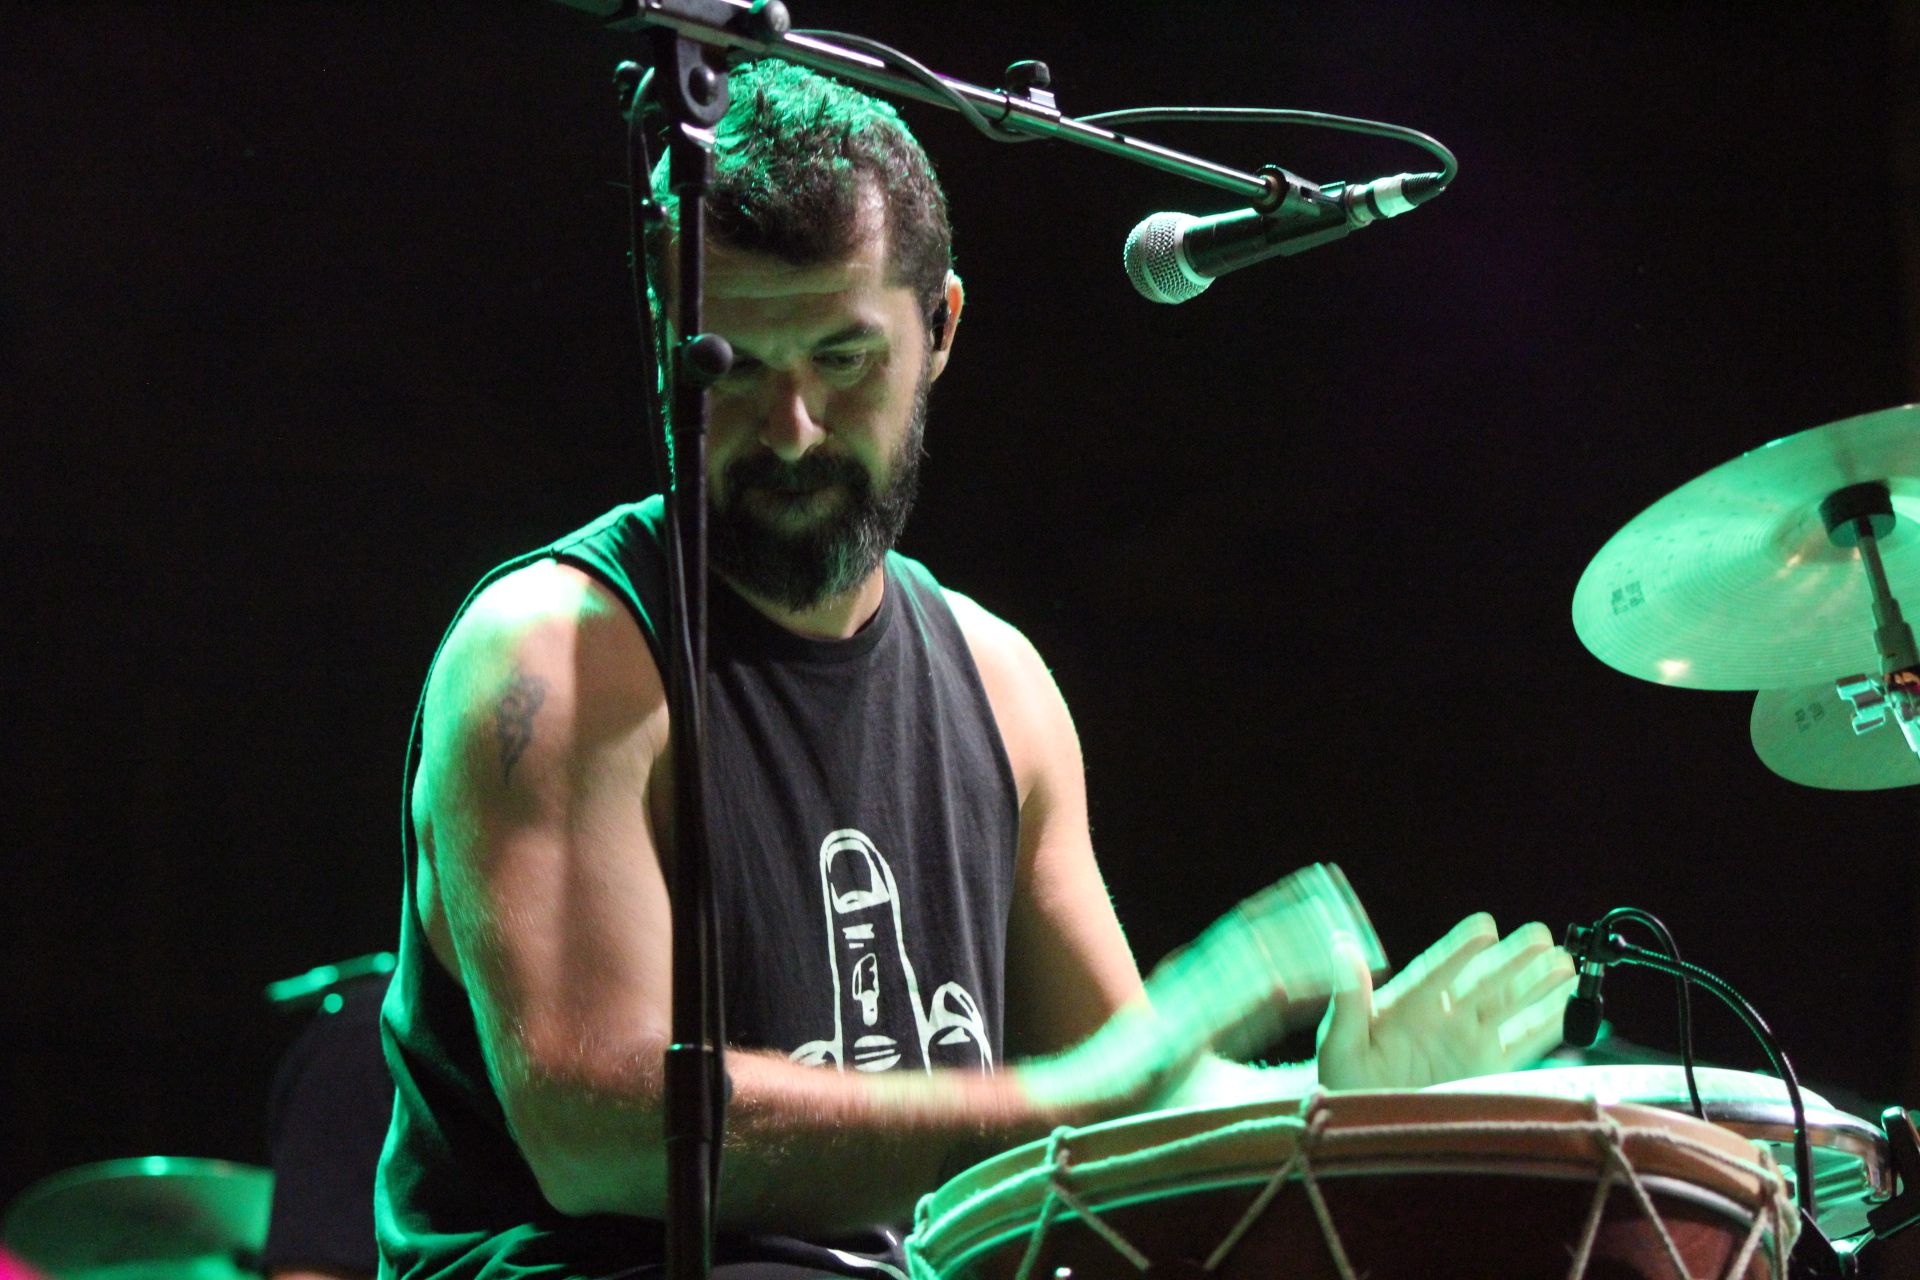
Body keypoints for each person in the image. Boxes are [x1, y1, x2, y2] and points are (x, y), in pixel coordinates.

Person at [376, 60, 1574, 1280]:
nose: (788, 426)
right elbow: (598, 1127)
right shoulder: (556, 655)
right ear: (663, 333)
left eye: (842, 359)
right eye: (731, 365)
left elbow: (1134, 1104)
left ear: (940, 326)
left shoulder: (1000, 686)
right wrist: (1073, 1096)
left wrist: (1330, 1103)